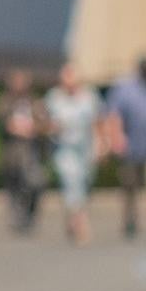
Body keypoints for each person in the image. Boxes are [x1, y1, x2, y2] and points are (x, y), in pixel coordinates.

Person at [42, 68, 101, 244]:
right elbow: (45, 122)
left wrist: (100, 145)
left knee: (84, 183)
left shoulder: (89, 97)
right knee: (71, 182)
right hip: (64, 149)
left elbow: (96, 122)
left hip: (85, 148)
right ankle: (80, 223)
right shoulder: (54, 98)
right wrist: (52, 127)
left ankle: (73, 216)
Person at [109, 56, 146, 243]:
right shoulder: (125, 89)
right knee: (130, 186)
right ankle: (130, 220)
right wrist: (117, 138)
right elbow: (114, 115)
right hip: (131, 146)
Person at [0, 81, 46, 232]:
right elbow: (1, 120)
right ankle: (17, 217)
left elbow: (44, 123)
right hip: (12, 154)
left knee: (35, 183)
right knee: (14, 187)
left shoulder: (35, 103)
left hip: (31, 153)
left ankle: (29, 215)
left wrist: (33, 128)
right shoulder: (6, 102)